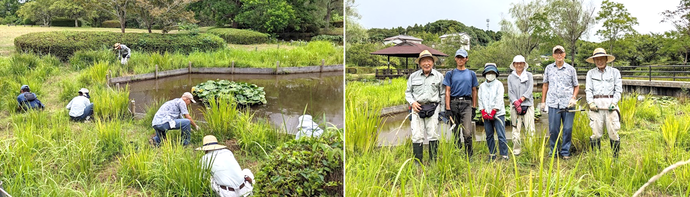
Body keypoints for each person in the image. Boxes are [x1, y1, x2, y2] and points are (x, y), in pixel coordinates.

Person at [405, 50, 445, 165]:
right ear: (420, 63)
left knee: (433, 134)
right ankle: (418, 162)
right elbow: (408, 92)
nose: (426, 63)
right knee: (417, 135)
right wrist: (412, 102)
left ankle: (433, 161)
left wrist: (442, 112)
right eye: (423, 61)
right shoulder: (413, 77)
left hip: (433, 107)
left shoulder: (439, 76)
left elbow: (442, 94)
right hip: (417, 108)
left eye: (429, 61)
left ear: (432, 62)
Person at [540, 45, 579, 159]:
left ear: (564, 54)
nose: (559, 55)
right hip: (553, 103)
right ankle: (554, 151)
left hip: (568, 104)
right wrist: (543, 102)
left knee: (567, 128)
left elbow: (576, 86)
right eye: (556, 53)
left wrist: (573, 98)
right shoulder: (548, 68)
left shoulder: (571, 69)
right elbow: (545, 85)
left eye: (561, 53)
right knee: (553, 129)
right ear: (553, 55)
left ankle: (565, 151)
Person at [585, 48, 622, 158]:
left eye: (602, 59)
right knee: (596, 133)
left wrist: (614, 103)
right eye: (597, 59)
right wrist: (590, 102)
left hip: (610, 104)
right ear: (594, 61)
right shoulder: (590, 73)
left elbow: (618, 90)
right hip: (596, 105)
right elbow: (588, 90)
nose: (599, 61)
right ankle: (597, 158)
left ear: (606, 59)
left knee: (613, 132)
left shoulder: (615, 72)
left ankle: (615, 159)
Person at [442, 48, 479, 158]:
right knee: (455, 130)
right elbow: (447, 91)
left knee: (467, 132)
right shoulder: (450, 73)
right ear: (455, 59)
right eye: (458, 57)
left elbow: (474, 91)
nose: (460, 59)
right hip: (454, 103)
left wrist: (474, 107)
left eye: (462, 57)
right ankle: (457, 153)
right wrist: (448, 108)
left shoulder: (471, 74)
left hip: (466, 103)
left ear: (466, 59)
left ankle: (469, 154)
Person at [478, 63, 508, 161]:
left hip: (498, 114)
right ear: (485, 74)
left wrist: (494, 111)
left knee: (501, 135)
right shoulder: (482, 86)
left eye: (492, 72)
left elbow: (499, 99)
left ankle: (504, 155)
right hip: (486, 115)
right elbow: (480, 99)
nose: (490, 74)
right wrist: (483, 111)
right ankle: (492, 154)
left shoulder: (499, 84)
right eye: (488, 72)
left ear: (496, 74)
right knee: (489, 135)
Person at [507, 55, 535, 156]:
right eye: (517, 63)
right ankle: (516, 151)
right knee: (515, 129)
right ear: (514, 65)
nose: (519, 65)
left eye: (521, 63)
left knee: (530, 129)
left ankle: (530, 150)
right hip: (515, 107)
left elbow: (529, 89)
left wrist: (521, 100)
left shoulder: (529, 75)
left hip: (528, 105)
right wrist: (516, 102)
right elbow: (510, 92)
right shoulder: (510, 77)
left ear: (524, 64)